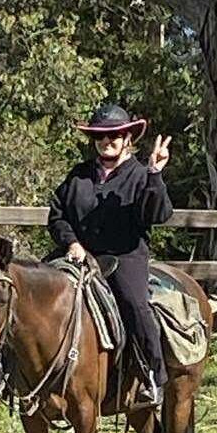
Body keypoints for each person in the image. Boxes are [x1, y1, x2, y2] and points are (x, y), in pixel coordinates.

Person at [47, 103, 173, 406]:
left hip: (124, 256)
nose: (107, 141)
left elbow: (159, 214)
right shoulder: (78, 175)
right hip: (76, 254)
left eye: (114, 135)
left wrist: (155, 173)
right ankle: (15, 371)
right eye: (100, 136)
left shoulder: (140, 175)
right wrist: (71, 241)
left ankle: (153, 377)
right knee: (33, 293)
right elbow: (57, 214)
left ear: (127, 137)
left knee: (134, 303)